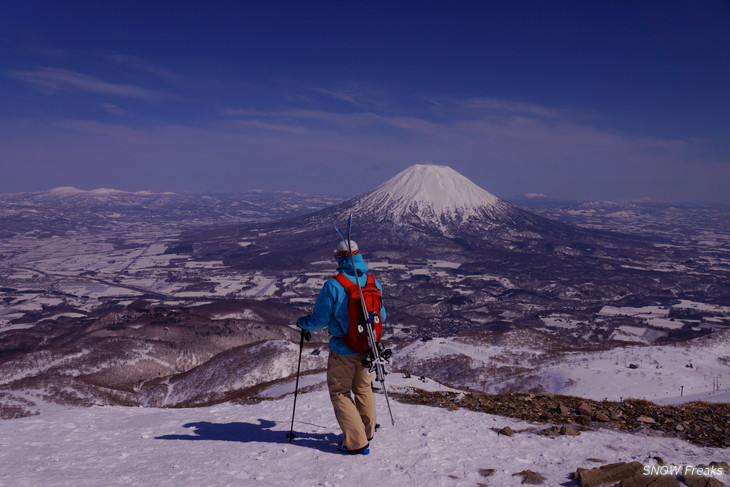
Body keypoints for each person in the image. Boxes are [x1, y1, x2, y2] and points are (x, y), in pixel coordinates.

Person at [297, 239, 386, 455]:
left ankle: (356, 443)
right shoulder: (373, 282)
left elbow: (319, 320)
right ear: (358, 255)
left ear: (339, 257)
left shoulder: (334, 285)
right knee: (364, 389)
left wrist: (301, 323)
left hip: (344, 350)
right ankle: (367, 432)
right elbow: (381, 316)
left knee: (340, 393)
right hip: (369, 348)